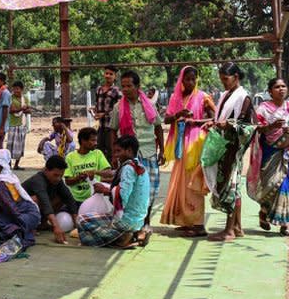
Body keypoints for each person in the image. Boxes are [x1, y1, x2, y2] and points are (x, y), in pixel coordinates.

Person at [107, 70, 165, 244]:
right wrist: (114, 154)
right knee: (130, 191)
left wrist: (162, 150)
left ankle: (145, 224)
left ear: (137, 86)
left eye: (129, 86)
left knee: (150, 190)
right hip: (129, 156)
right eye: (123, 86)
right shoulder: (118, 107)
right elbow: (112, 130)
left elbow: (158, 127)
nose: (125, 89)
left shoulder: (148, 104)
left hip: (148, 152)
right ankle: (135, 226)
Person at [160, 66, 216, 238]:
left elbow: (215, 118)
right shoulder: (176, 97)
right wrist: (178, 114)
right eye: (187, 79)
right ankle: (185, 221)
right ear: (182, 80)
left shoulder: (203, 97)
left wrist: (196, 121)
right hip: (180, 144)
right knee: (181, 183)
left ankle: (198, 224)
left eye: (193, 79)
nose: (190, 82)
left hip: (196, 144)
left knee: (194, 183)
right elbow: (166, 119)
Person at [203, 62, 255, 242]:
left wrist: (229, 124)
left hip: (233, 147)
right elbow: (221, 117)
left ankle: (229, 230)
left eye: (226, 79)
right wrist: (214, 122)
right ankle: (237, 227)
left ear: (236, 77)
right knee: (231, 186)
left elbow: (249, 126)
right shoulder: (226, 95)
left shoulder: (244, 97)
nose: (223, 83)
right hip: (223, 145)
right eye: (222, 79)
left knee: (231, 186)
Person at [76, 136, 150, 249]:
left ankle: (121, 238)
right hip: (138, 219)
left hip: (127, 220)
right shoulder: (137, 165)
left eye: (118, 151)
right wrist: (95, 172)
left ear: (129, 150)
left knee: (82, 220)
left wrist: (105, 190)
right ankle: (136, 233)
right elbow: (113, 173)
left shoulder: (128, 168)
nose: (115, 155)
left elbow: (122, 195)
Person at [248, 77, 289, 236]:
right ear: (270, 91)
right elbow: (257, 129)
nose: (281, 89)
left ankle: (285, 224)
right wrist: (271, 127)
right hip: (270, 151)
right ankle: (264, 211)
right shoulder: (263, 108)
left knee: (285, 185)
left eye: (283, 86)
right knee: (271, 184)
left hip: (287, 152)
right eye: (277, 87)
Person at [22, 155, 77, 244]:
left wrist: (77, 223)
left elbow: (69, 198)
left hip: (41, 209)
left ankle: (42, 224)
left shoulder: (58, 181)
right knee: (35, 199)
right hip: (21, 213)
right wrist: (56, 226)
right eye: (55, 175)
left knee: (61, 197)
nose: (58, 179)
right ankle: (29, 226)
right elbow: (45, 202)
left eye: (61, 176)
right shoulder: (38, 180)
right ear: (46, 170)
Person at [63, 127, 113, 204]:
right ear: (83, 141)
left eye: (96, 140)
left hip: (95, 198)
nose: (96, 143)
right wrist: (79, 177)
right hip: (76, 200)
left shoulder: (97, 153)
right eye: (93, 140)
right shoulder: (70, 157)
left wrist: (94, 172)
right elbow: (68, 182)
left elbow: (109, 173)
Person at [92, 65, 122, 157]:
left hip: (111, 127)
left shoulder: (117, 91)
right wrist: (94, 110)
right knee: (99, 149)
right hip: (101, 126)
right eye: (106, 73)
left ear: (115, 76)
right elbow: (98, 105)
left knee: (111, 150)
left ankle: (112, 170)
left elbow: (119, 109)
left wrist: (104, 114)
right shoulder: (99, 90)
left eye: (111, 74)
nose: (108, 76)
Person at [7, 80, 32, 169]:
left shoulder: (25, 98)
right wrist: (22, 108)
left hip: (22, 124)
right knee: (10, 145)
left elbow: (29, 111)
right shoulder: (10, 98)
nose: (16, 91)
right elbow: (11, 110)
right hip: (12, 124)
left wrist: (21, 109)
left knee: (20, 145)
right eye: (14, 89)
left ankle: (16, 165)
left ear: (22, 89)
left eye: (18, 89)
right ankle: (8, 165)